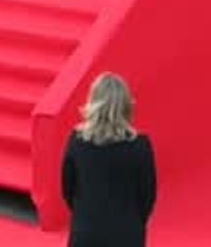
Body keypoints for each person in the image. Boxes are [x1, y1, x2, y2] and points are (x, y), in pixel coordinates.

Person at [62, 73, 157, 247]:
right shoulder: (140, 146)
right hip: (127, 235)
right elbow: (147, 197)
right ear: (126, 106)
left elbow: (68, 190)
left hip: (86, 234)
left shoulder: (77, 142)